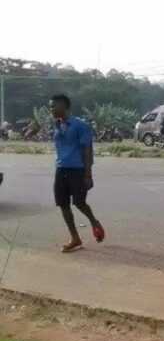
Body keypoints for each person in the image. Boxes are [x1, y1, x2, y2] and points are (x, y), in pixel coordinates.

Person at [49, 94, 106, 253]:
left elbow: (87, 151)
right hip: (61, 169)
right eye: (50, 106)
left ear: (64, 106)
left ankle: (94, 222)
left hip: (77, 170)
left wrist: (88, 175)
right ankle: (75, 238)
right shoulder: (57, 125)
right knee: (63, 205)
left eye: (53, 106)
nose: (51, 109)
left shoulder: (80, 126)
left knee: (79, 202)